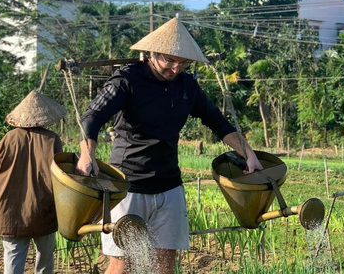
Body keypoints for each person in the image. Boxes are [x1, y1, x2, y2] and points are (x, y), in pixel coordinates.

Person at [77, 16, 263, 274]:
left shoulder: (187, 86)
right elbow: (92, 117)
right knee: (122, 263)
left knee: (165, 264)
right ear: (153, 53)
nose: (175, 68)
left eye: (183, 63)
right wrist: (87, 154)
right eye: (169, 60)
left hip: (169, 187)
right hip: (128, 186)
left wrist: (249, 154)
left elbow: (219, 123)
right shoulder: (126, 81)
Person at [0, 90, 67, 274]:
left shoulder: (9, 138)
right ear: (45, 117)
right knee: (45, 258)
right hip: (43, 205)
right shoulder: (52, 139)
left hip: (10, 208)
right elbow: (60, 174)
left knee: (13, 257)